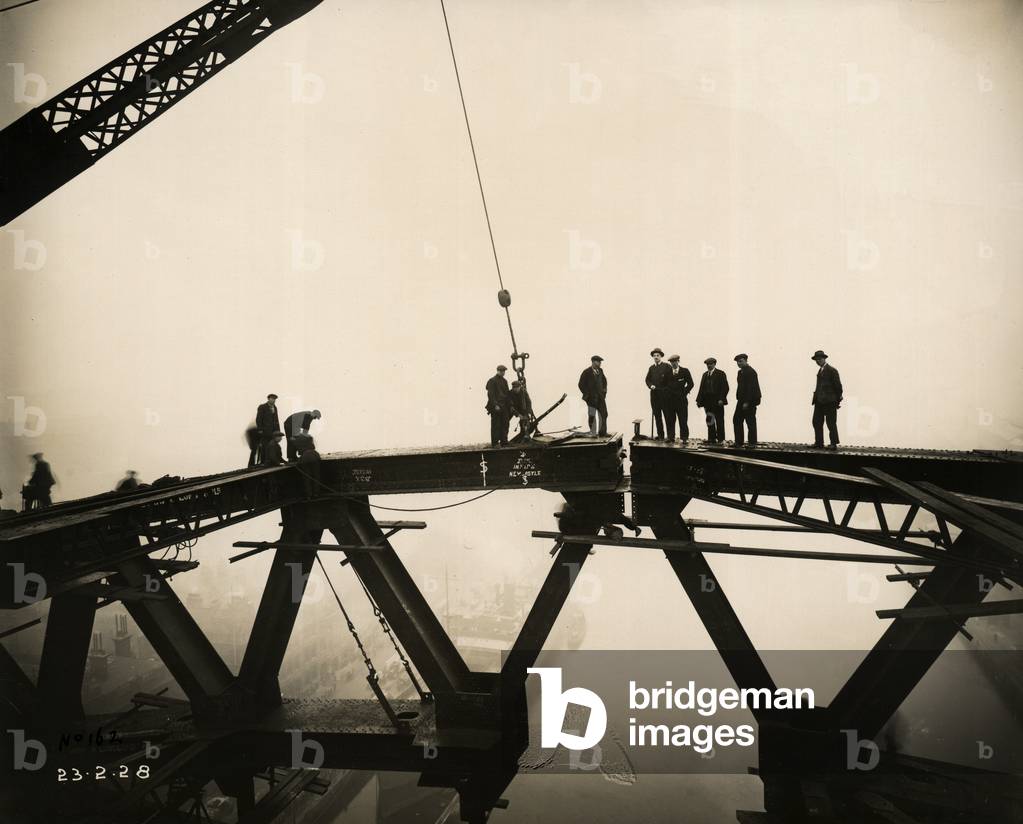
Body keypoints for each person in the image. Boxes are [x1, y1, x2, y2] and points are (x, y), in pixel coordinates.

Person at [811, 349, 843, 449]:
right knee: (816, 421)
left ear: (824, 359)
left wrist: (837, 401)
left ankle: (833, 444)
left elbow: (838, 387)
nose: (818, 361)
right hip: (819, 402)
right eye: (816, 359)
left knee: (831, 423)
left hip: (830, 402)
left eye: (819, 359)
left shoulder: (832, 370)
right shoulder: (820, 371)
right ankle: (819, 443)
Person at [696, 358, 728, 443]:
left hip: (717, 402)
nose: (709, 365)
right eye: (707, 364)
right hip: (708, 402)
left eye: (710, 364)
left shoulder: (721, 374)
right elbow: (701, 388)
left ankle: (721, 439)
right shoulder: (705, 375)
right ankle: (711, 438)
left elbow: (725, 388)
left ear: (714, 364)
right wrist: (699, 400)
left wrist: (721, 399)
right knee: (710, 420)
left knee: (719, 420)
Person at [732, 354, 762, 448]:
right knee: (737, 419)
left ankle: (752, 443)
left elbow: (751, 388)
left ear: (745, 361)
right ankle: (738, 442)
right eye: (737, 362)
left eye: (740, 361)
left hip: (750, 400)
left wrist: (747, 402)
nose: (739, 363)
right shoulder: (740, 372)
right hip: (741, 400)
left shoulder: (751, 372)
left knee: (750, 421)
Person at [664, 355, 695, 442]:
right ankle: (670, 437)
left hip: (681, 400)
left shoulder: (685, 371)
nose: (673, 363)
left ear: (678, 361)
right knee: (670, 420)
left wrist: (684, 392)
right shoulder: (667, 372)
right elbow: (663, 384)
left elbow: (691, 384)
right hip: (670, 401)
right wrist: (667, 393)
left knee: (683, 419)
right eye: (671, 362)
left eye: (675, 361)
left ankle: (684, 438)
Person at [578, 355, 609, 437]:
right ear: (593, 361)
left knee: (604, 414)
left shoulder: (601, 371)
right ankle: (593, 433)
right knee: (592, 416)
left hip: (601, 398)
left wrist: (604, 391)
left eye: (600, 362)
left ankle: (603, 433)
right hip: (591, 400)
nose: (600, 363)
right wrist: (587, 395)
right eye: (598, 361)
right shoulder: (586, 372)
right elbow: (581, 384)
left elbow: (604, 381)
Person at [645, 348, 672, 439]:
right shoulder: (651, 368)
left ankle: (670, 436)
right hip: (654, 396)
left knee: (668, 416)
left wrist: (665, 391)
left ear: (661, 356)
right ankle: (661, 435)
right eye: (654, 356)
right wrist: (650, 385)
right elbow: (647, 379)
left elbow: (670, 381)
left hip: (664, 397)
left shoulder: (667, 366)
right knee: (657, 416)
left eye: (658, 355)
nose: (656, 357)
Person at [485, 365, 511, 447]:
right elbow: (491, 395)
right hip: (496, 407)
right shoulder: (492, 381)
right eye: (501, 371)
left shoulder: (504, 381)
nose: (503, 372)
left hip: (504, 406)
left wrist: (509, 405)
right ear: (498, 371)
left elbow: (507, 394)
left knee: (505, 424)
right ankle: (495, 443)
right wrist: (495, 405)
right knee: (496, 425)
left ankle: (504, 442)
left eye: (504, 371)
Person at [254, 394, 280, 466]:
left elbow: (276, 420)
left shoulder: (275, 407)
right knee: (264, 446)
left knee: (272, 446)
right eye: (272, 398)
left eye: (274, 399)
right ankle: (263, 462)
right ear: (268, 399)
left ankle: (271, 461)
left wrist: (278, 431)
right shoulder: (262, 407)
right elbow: (258, 419)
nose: (273, 400)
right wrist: (260, 429)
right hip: (265, 431)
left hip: (273, 432)